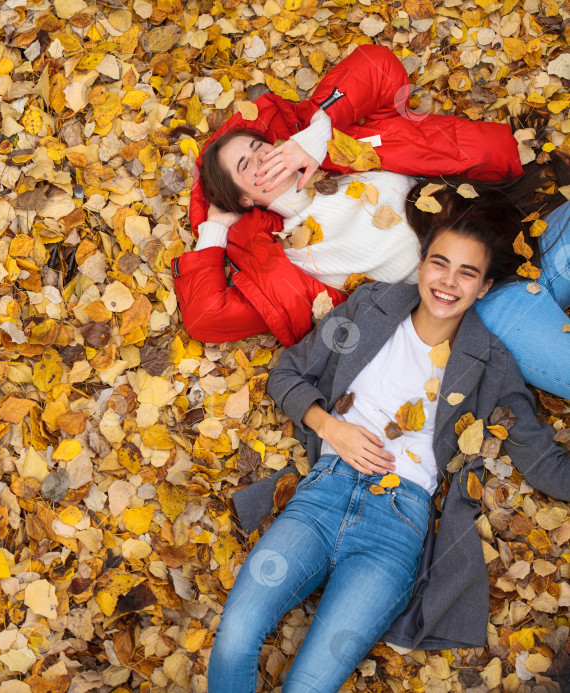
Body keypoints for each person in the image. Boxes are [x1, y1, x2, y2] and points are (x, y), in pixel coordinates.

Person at [206, 197, 570, 693]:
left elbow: (541, 457)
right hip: (320, 500)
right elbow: (288, 371)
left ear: (483, 287)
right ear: (421, 264)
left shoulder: (490, 362)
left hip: (394, 530)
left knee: (309, 685)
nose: (447, 281)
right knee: (234, 639)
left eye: (466, 273)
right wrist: (330, 427)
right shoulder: (369, 307)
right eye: (439, 263)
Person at [172, 43, 570, 397]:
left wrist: (312, 138)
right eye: (247, 165)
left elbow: (378, 65)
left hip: (526, 237)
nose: (263, 157)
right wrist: (217, 226)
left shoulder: (343, 148)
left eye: (259, 146)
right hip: (488, 306)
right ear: (245, 198)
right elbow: (206, 317)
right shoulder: (288, 263)